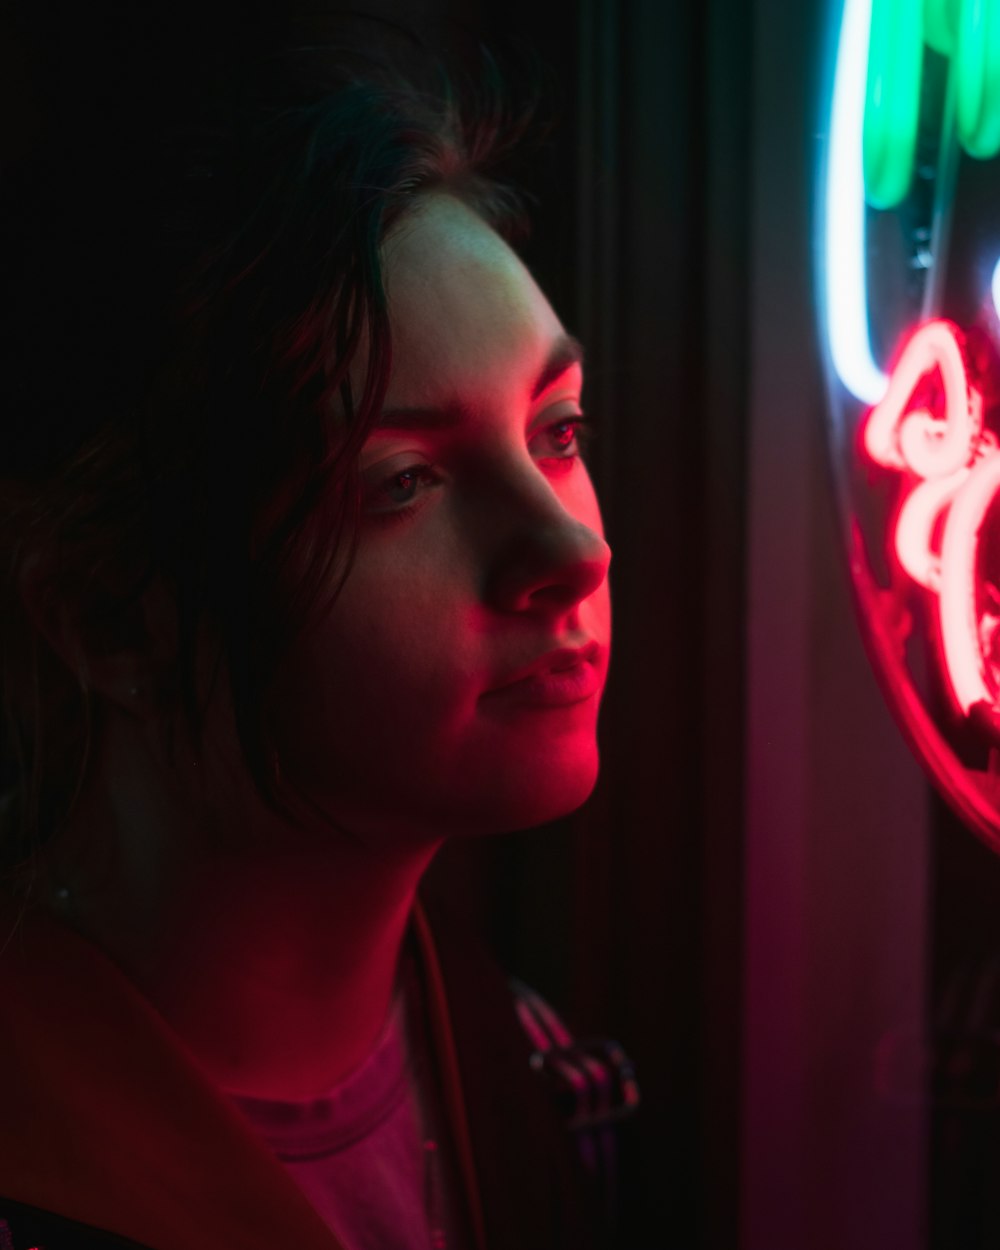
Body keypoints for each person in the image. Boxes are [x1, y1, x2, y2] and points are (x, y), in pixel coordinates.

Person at [0, 7, 622, 1250]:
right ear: (111, 613)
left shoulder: (550, 1088)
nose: (571, 550)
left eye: (557, 433)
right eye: (400, 482)